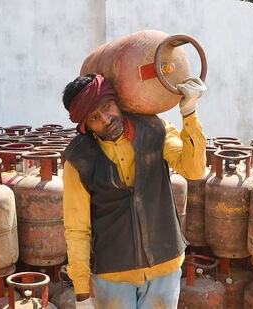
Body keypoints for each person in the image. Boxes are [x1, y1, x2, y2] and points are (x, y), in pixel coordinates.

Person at [62, 72, 207, 308]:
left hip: (165, 265)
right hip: (113, 277)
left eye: (107, 107)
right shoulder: (78, 160)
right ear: (85, 126)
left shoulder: (156, 130)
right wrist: (81, 292)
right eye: (94, 117)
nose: (106, 119)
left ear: (116, 101)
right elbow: (77, 228)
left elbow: (194, 170)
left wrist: (189, 111)